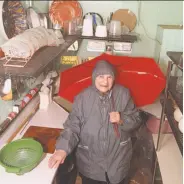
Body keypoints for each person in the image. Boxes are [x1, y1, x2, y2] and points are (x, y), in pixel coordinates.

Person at [48, 60, 141, 184]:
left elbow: (136, 120)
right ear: (94, 77)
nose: (105, 82)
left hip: (118, 162)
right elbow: (73, 126)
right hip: (91, 165)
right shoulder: (82, 98)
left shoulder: (123, 94)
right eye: (101, 76)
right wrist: (62, 149)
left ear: (114, 78)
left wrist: (122, 118)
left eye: (109, 77)